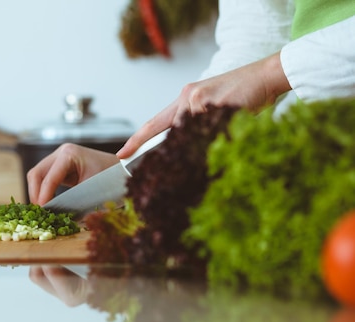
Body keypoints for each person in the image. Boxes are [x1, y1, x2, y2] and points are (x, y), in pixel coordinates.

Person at [27, 0, 355, 206]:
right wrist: (137, 172)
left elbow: (262, 72)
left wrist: (271, 73)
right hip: (322, 166)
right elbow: (254, 43)